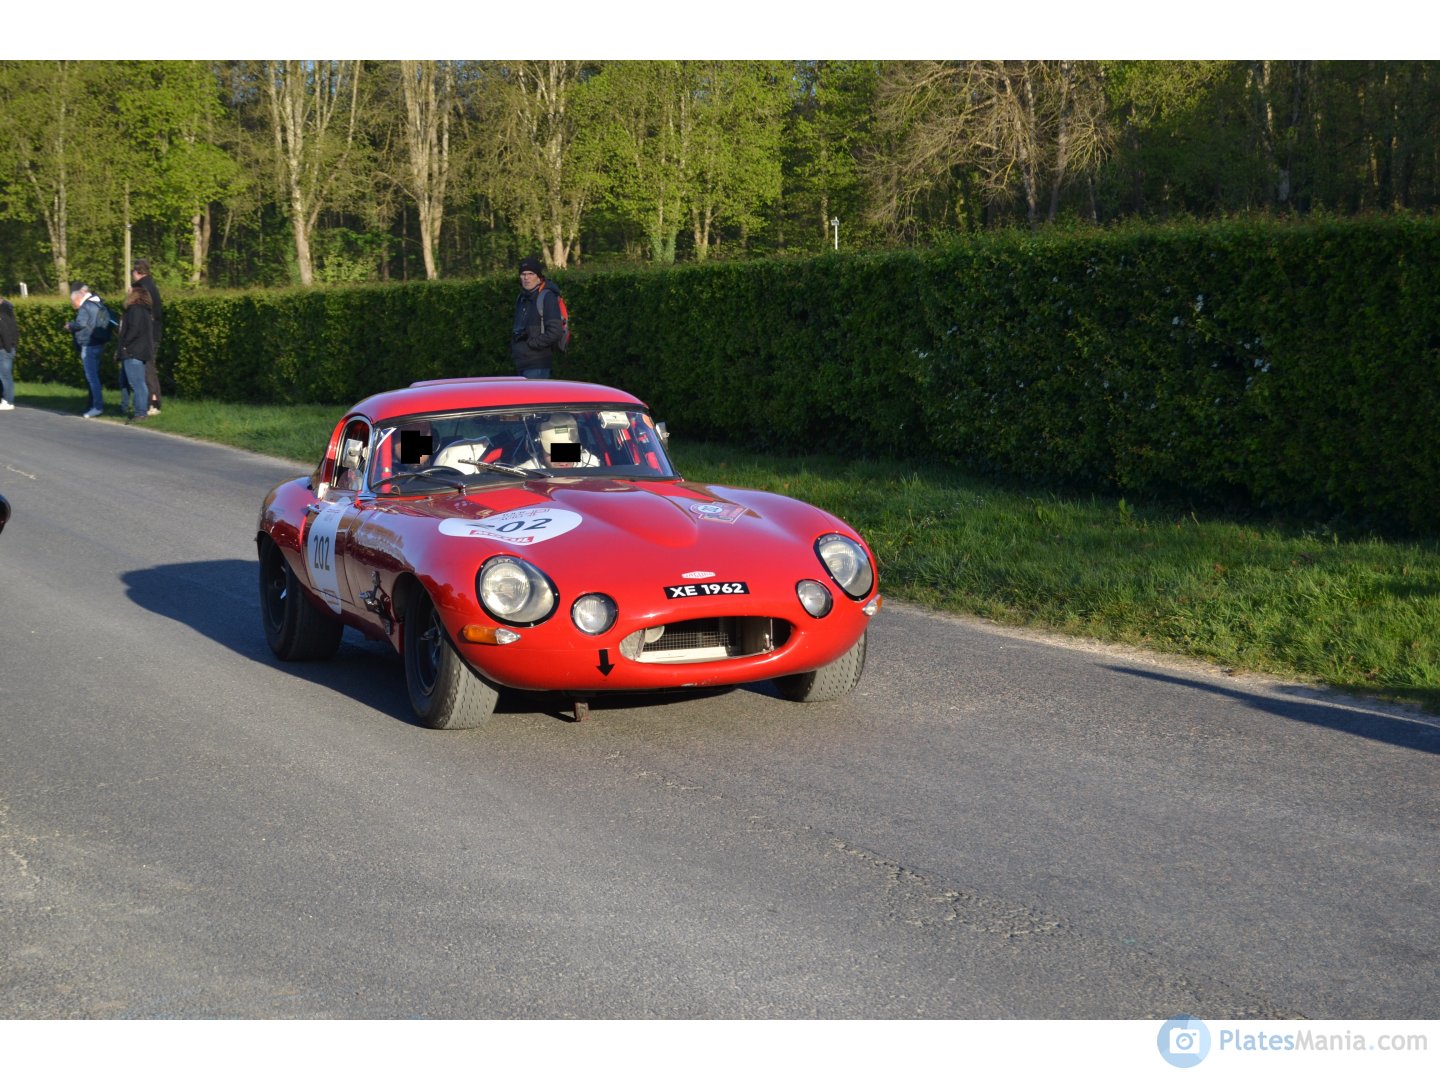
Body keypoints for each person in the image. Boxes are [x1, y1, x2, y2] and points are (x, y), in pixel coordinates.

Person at [510, 256, 565, 379]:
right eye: (523, 274)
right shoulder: (521, 298)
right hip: (521, 363)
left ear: (539, 277)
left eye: (531, 273)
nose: (526, 278)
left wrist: (531, 344)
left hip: (538, 365)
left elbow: (555, 332)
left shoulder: (547, 297)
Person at [64, 284, 110, 417]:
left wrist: (70, 325)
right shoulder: (97, 303)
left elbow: (81, 324)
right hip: (99, 343)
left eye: (74, 304)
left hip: (88, 344)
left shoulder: (85, 307)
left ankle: (97, 406)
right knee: (95, 376)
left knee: (92, 377)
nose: (75, 306)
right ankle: (94, 404)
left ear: (77, 299)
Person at [116, 286, 156, 423]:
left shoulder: (133, 310)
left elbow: (132, 330)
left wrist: (125, 345)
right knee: (138, 383)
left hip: (132, 352)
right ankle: (137, 410)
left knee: (137, 384)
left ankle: (140, 412)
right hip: (141, 351)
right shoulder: (146, 311)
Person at [131, 259, 163, 414]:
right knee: (150, 367)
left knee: (147, 369)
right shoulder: (152, 285)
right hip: (155, 331)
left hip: (146, 334)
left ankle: (152, 402)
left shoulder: (140, 287)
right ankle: (155, 401)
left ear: (136, 272)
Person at [516, 413, 600, 470]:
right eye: (555, 452)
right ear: (537, 447)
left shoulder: (592, 465)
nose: (563, 461)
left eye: (569, 451)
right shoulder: (524, 473)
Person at [0, 291, 17, 411]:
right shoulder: (8, 309)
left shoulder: (2, 313)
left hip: (4, 349)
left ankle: (8, 401)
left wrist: (7, 347)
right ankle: (5, 399)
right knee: (4, 375)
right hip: (7, 348)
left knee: (4, 375)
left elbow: (5, 332)